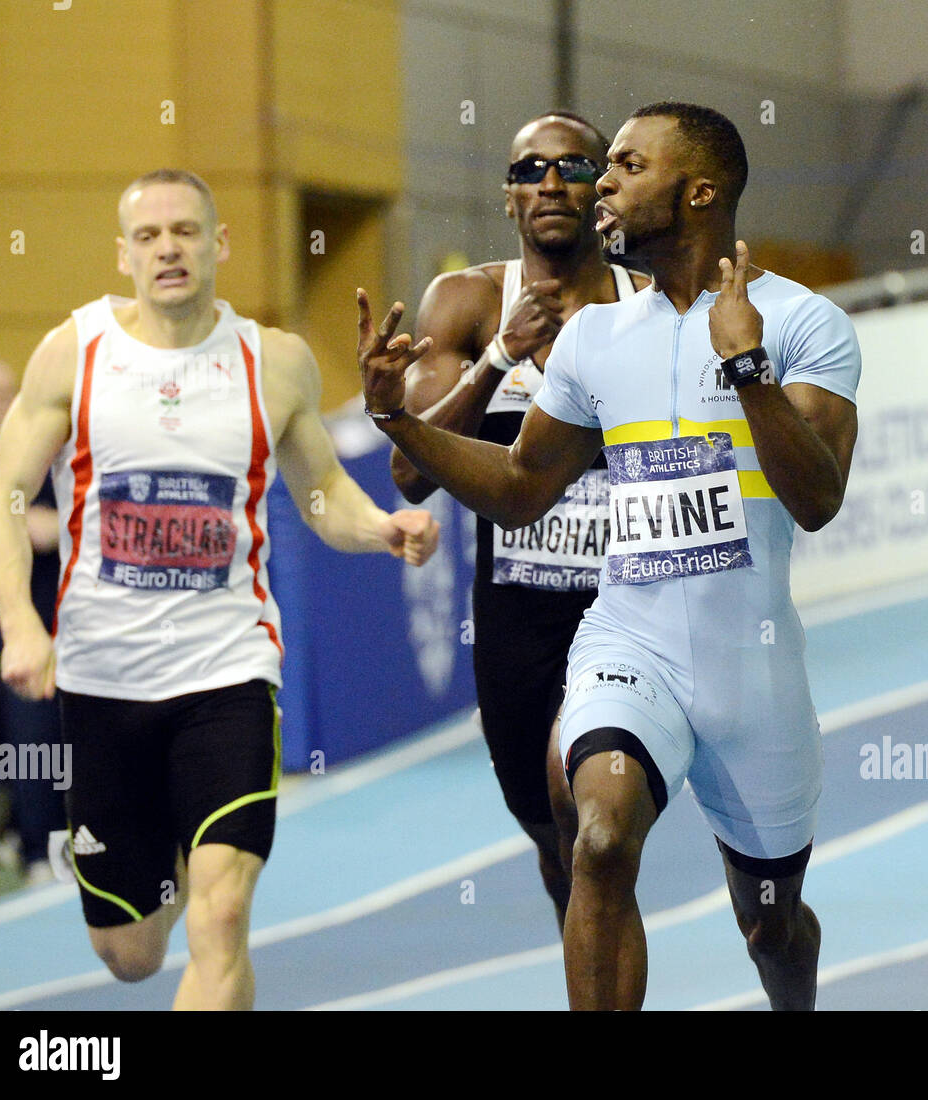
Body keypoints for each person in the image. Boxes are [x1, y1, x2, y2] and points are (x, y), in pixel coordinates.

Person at [359, 101, 860, 1010]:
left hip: (752, 667)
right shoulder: (593, 338)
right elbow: (519, 487)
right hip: (629, 645)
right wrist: (396, 419)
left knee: (772, 923)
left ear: (698, 191)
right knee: (598, 838)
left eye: (626, 166)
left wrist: (749, 370)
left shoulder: (802, 325)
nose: (602, 188)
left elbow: (818, 500)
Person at [0, 169, 440, 1010]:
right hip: (103, 681)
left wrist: (381, 528)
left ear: (219, 243)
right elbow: (2, 503)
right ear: (123, 255)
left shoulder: (274, 362)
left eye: (186, 231)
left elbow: (323, 492)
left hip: (227, 672)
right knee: (131, 950)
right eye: (149, 237)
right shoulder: (73, 354)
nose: (168, 249)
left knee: (220, 916)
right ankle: (159, 869)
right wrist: (19, 623)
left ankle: (201, 877)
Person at [390, 111, 648, 932]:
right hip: (514, 622)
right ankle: (591, 946)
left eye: (572, 168)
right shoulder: (467, 303)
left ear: (601, 189)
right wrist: (499, 357)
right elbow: (410, 471)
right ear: (508, 199)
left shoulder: (649, 305)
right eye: (529, 170)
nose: (549, 183)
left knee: (592, 823)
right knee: (551, 834)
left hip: (627, 615)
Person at [0, 356, 64, 888]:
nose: (0, 408)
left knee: (33, 728)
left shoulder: (43, 455)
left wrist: (47, 526)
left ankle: (39, 847)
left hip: (32, 607)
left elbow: (60, 525)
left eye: (8, 394)